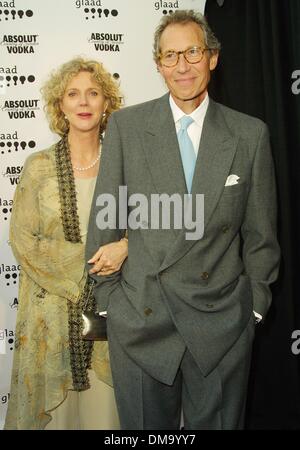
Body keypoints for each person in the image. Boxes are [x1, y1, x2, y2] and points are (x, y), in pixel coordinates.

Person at [86, 10, 280, 430]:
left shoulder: (249, 135)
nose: (182, 66)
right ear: (158, 65)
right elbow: (106, 220)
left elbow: (261, 235)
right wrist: (110, 304)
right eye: (170, 56)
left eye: (192, 52)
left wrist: (254, 308)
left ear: (212, 57)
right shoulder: (126, 127)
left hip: (222, 322)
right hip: (141, 319)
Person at [4, 57, 128, 430]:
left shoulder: (126, 164)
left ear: (107, 102)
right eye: (73, 94)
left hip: (113, 318)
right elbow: (21, 239)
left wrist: (127, 247)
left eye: (93, 93)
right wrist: (90, 261)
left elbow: (148, 227)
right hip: (49, 322)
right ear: (61, 105)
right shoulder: (38, 166)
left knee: (107, 417)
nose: (84, 102)